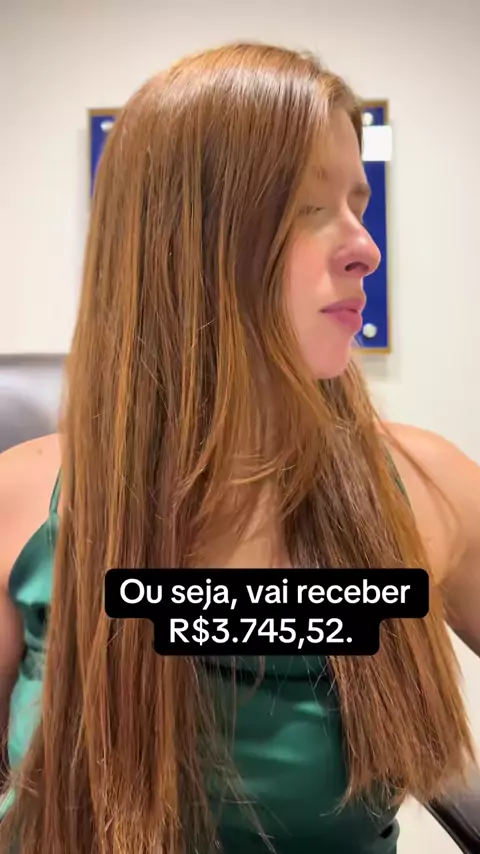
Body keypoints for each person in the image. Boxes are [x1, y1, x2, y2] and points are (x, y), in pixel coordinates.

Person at [0, 41, 479, 854]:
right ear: (184, 243)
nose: (366, 247)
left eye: (359, 203)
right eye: (309, 206)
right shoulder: (18, 503)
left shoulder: (429, 487)